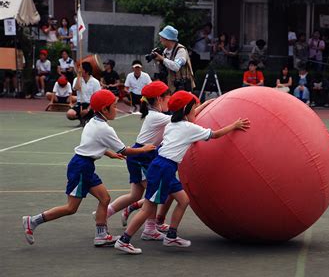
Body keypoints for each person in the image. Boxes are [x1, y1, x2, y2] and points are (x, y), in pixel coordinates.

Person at [114, 91, 250, 253]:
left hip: (164, 167)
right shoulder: (188, 128)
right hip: (163, 169)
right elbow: (215, 135)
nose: (196, 112)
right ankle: (124, 240)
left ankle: (171, 236)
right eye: (194, 109)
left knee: (184, 200)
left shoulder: (172, 124)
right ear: (186, 110)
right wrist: (234, 126)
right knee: (148, 209)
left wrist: (204, 106)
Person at [22, 89, 157, 247]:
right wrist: (144, 149)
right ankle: (32, 221)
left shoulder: (93, 122)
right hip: (81, 167)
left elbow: (92, 144)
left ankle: (101, 235)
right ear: (104, 109)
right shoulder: (104, 128)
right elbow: (125, 150)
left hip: (84, 165)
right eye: (113, 106)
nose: (116, 109)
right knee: (71, 208)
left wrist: (109, 154)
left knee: (105, 198)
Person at [99, 81, 172, 235]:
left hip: (143, 156)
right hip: (142, 156)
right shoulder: (156, 116)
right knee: (153, 193)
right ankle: (150, 229)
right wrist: (202, 106)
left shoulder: (156, 115)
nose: (170, 101)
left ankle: (104, 214)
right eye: (168, 97)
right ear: (159, 99)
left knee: (135, 195)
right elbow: (182, 119)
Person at [152, 25, 195, 93]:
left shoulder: (181, 51)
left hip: (182, 89)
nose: (160, 40)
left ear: (168, 39)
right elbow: (162, 69)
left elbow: (176, 66)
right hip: (171, 87)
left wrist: (163, 59)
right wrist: (158, 61)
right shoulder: (165, 51)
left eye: (162, 37)